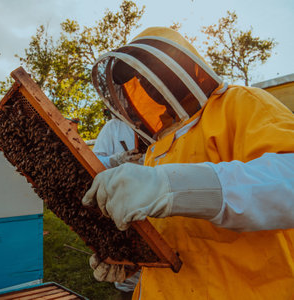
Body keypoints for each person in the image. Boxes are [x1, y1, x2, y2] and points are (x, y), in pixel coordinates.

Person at [83, 27, 294, 299]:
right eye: (140, 78)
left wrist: (174, 187)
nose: (147, 83)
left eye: (153, 70)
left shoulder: (241, 103)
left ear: (183, 64)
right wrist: (133, 256)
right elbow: (176, 233)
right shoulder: (158, 147)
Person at [93, 116, 142, 293]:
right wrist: (116, 160)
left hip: (158, 205)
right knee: (127, 269)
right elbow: (94, 162)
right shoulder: (113, 128)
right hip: (122, 206)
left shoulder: (163, 122)